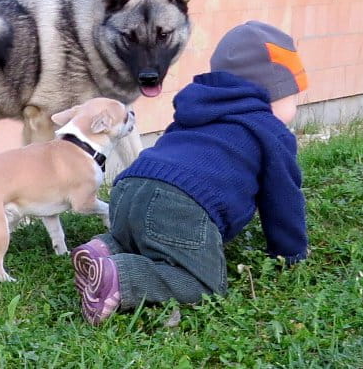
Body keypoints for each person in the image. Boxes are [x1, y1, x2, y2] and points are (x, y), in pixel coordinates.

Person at [71, 20, 309, 325]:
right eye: (294, 95)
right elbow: (283, 199)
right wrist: (290, 253)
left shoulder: (199, 108)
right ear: (271, 92)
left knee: (148, 233)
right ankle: (120, 277)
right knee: (205, 284)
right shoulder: (270, 131)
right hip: (181, 204)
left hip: (131, 185)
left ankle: (107, 246)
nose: (297, 104)